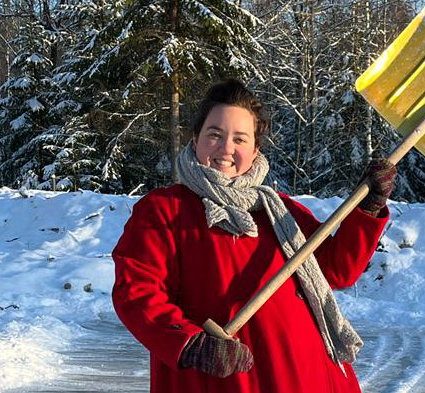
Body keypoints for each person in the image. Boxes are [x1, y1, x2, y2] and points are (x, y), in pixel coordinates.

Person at [112, 78, 396, 393]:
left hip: (306, 377)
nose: (225, 149)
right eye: (215, 135)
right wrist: (188, 343)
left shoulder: (277, 210)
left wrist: (368, 208)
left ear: (255, 149)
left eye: (240, 139)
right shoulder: (165, 210)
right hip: (221, 381)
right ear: (195, 140)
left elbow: (338, 269)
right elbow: (135, 293)